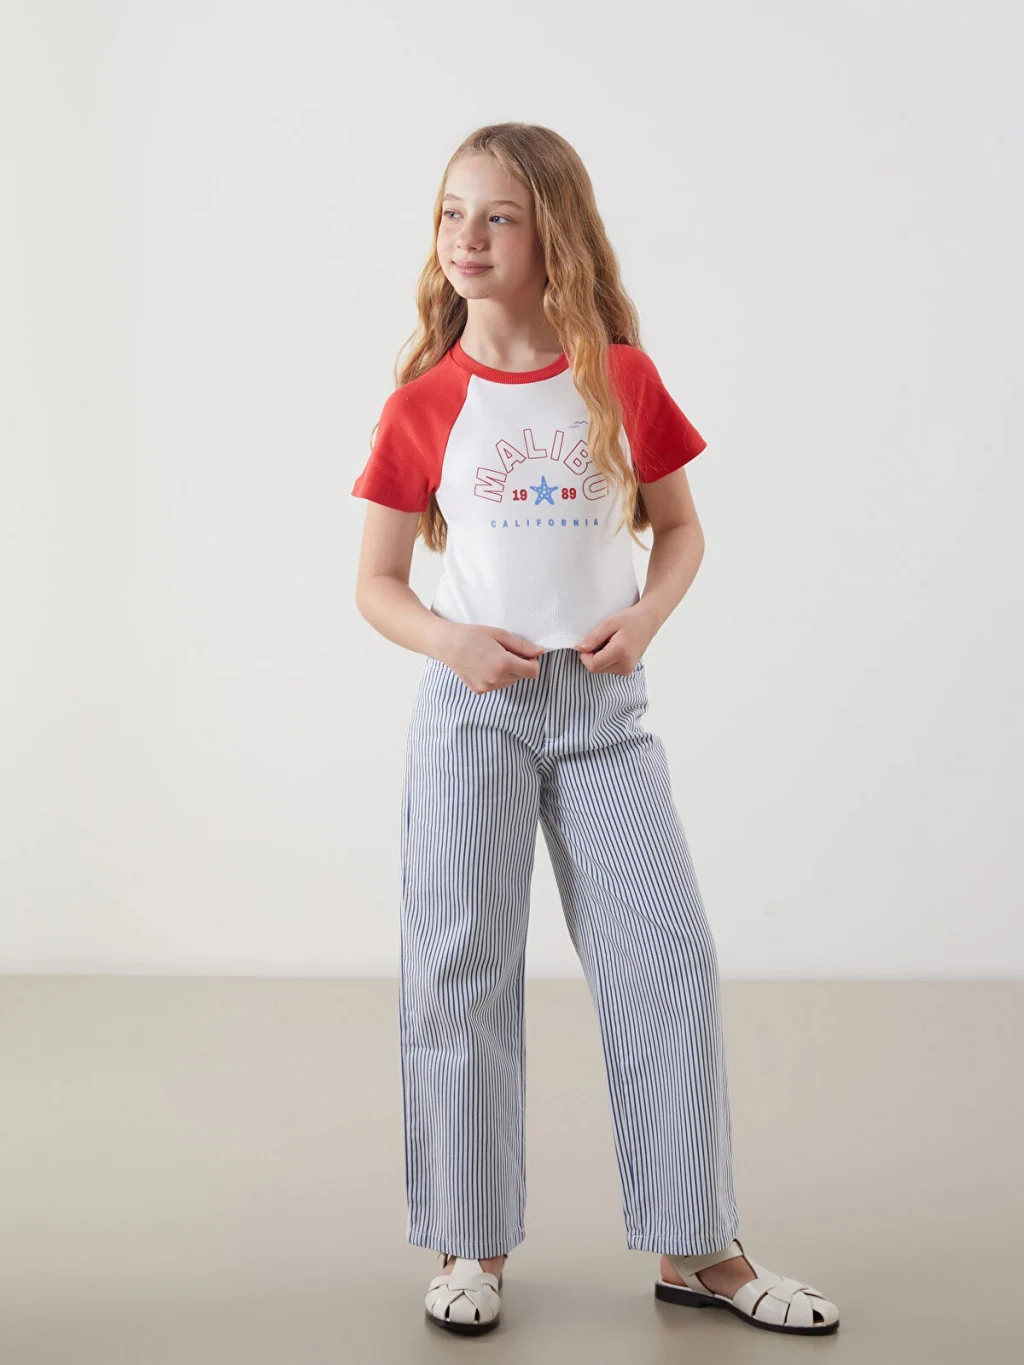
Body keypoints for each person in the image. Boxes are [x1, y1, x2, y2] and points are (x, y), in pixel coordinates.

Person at [351, 121, 840, 1340]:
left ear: (551, 233)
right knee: (461, 971)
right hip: (475, 713)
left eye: (497, 216)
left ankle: (697, 1247)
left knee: (666, 961)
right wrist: (453, 645)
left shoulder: (618, 380)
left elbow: (680, 530)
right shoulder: (425, 403)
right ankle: (470, 1245)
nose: (465, 237)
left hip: (602, 715)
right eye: (451, 213)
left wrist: (647, 619)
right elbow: (377, 585)